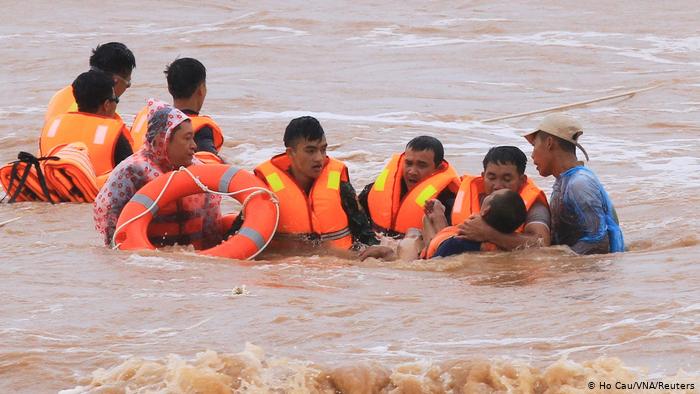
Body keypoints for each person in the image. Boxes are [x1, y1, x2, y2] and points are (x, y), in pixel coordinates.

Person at [94, 100, 224, 248]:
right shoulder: (133, 171)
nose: (194, 146)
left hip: (190, 258)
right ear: (162, 141)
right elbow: (110, 223)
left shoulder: (198, 172)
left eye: (193, 138)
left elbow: (212, 230)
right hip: (148, 259)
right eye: (187, 138)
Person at [254, 116, 377, 250]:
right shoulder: (266, 188)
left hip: (338, 268)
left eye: (323, 149)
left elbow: (366, 236)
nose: (319, 158)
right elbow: (243, 237)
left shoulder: (340, 186)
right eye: (310, 151)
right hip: (286, 267)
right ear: (291, 153)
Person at [523, 113, 624, 254]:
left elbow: (599, 242)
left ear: (549, 143)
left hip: (595, 273)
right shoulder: (564, 181)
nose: (532, 155)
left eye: (534, 146)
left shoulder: (579, 183)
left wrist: (557, 260)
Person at [424, 146, 551, 257]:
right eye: (491, 177)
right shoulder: (467, 192)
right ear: (483, 176)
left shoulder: (534, 205)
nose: (497, 185)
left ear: (522, 180)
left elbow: (542, 244)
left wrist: (488, 234)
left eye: (507, 179)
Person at [360, 189, 527, 260]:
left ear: (485, 210)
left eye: (491, 195)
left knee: (410, 237)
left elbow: (431, 262)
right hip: (443, 245)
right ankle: (436, 216)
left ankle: (387, 252)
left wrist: (389, 255)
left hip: (431, 255)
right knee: (425, 221)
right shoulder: (504, 242)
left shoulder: (462, 239)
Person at [358, 136, 460, 238]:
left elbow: (449, 246)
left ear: (438, 168)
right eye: (408, 163)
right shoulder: (377, 188)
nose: (412, 171)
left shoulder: (448, 202)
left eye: (422, 165)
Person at [39, 70, 133, 179]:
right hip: (94, 194)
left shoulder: (51, 127)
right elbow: (133, 176)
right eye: (116, 99)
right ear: (106, 105)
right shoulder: (114, 137)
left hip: (51, 192)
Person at [130, 58, 224, 161]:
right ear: (201, 90)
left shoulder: (150, 117)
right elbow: (211, 165)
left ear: (169, 89)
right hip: (168, 176)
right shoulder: (201, 130)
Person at [44, 42, 135, 125]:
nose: (127, 87)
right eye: (128, 84)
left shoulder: (61, 95)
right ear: (116, 80)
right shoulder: (99, 109)